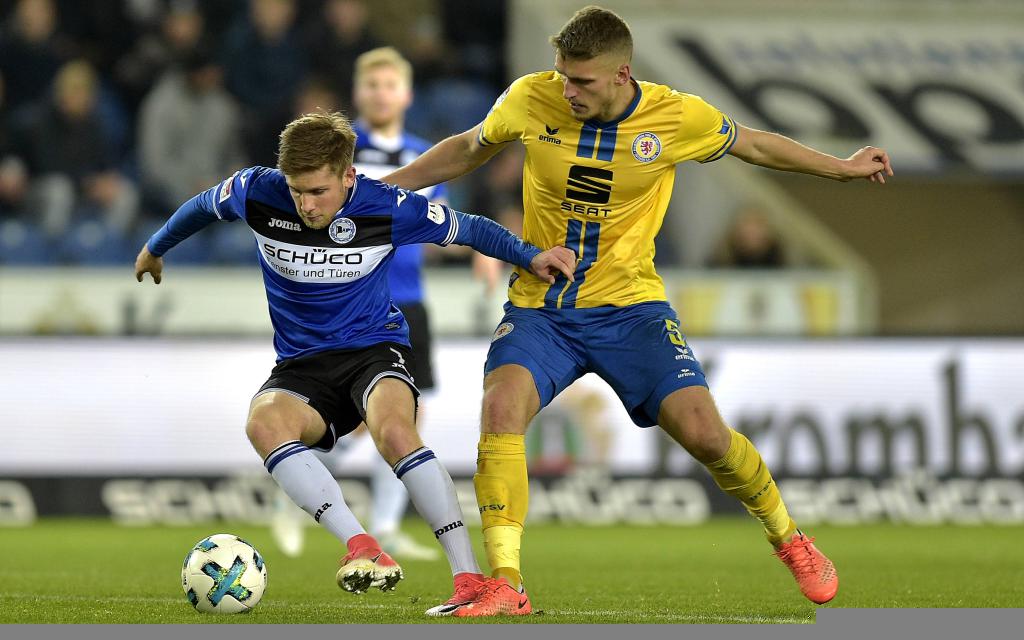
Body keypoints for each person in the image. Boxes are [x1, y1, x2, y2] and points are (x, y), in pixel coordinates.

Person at [383, 5, 893, 616]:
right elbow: (468, 148)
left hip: (633, 311)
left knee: (706, 435)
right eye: (563, 77)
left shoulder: (676, 116)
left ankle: (792, 540)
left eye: (584, 82)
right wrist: (386, 189)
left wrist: (840, 168)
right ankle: (506, 584)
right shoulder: (530, 97)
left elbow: (754, 143)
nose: (567, 91)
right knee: (500, 406)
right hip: (542, 308)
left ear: (622, 73)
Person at [134, 111, 576, 613]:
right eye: (297, 191)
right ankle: (362, 546)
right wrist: (154, 247)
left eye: (318, 191)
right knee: (263, 423)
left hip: (373, 348)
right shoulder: (257, 191)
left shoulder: (385, 207)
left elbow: (469, 229)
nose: (305, 204)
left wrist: (528, 255)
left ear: (349, 176)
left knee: (394, 431)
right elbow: (201, 206)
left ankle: (468, 578)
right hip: (302, 364)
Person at [269, 46, 499, 562]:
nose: (380, 94)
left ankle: (386, 525)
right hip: (347, 303)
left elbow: (439, 221)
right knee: (362, 420)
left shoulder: (425, 156)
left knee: (408, 420)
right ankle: (303, 488)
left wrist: (482, 256)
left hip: (408, 300)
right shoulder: (336, 157)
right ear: (358, 94)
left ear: (406, 94)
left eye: (389, 85)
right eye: (371, 85)